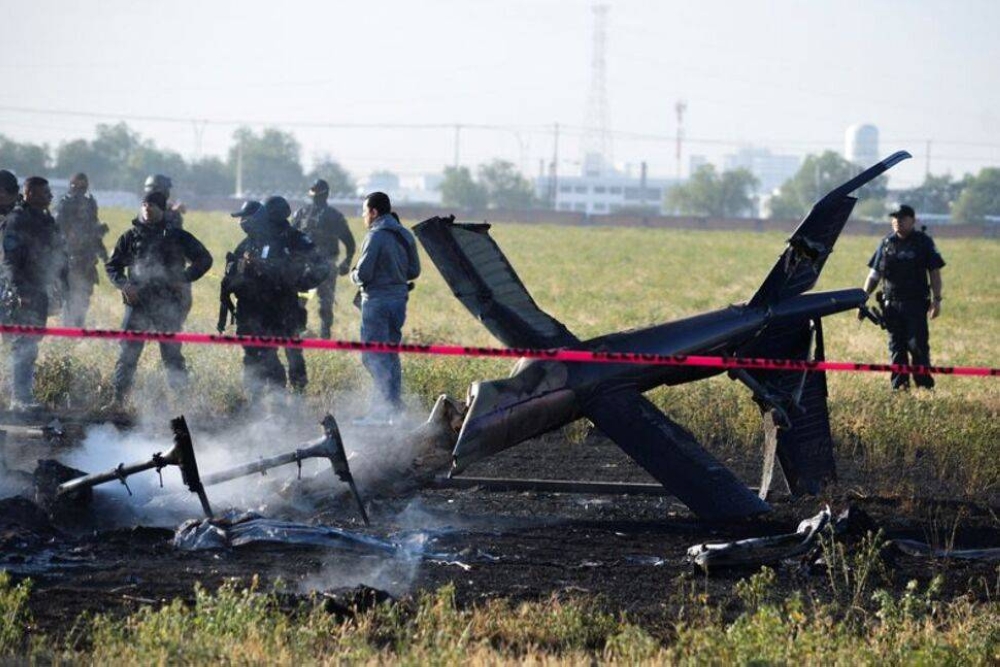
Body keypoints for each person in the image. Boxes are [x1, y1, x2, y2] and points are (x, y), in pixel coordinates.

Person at [103, 191, 212, 410]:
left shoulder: (177, 236)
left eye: (152, 204)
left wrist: (183, 278)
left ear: (162, 209)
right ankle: (118, 400)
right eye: (144, 204)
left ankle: (182, 403)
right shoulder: (130, 236)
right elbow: (112, 265)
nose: (147, 208)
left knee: (172, 355)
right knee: (127, 354)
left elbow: (205, 259)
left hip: (167, 305)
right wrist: (125, 285)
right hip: (137, 305)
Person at [221, 196, 328, 402]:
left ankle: (297, 399)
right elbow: (233, 271)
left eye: (248, 218)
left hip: (285, 307)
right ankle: (258, 401)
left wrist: (301, 283)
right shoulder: (252, 241)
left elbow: (322, 265)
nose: (243, 223)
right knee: (257, 355)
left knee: (292, 352)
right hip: (254, 310)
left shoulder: (293, 238)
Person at [350, 192, 420, 425]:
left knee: (373, 357)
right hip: (398, 302)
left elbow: (364, 274)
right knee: (390, 354)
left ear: (374, 212)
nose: (363, 216)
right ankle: (394, 409)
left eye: (364, 212)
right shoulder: (404, 234)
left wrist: (353, 275)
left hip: (376, 303)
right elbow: (414, 271)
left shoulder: (375, 236)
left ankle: (380, 412)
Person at [1, 176, 68, 410]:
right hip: (22, 292)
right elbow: (10, 260)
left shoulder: (47, 220)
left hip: (39, 290)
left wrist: (64, 287)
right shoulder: (18, 220)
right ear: (29, 194)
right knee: (23, 343)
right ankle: (19, 399)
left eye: (49, 192)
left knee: (30, 344)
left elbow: (58, 254)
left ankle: (22, 397)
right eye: (44, 193)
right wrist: (19, 291)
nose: (49, 196)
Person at [863, 204, 945, 390]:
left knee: (918, 346)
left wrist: (937, 300)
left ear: (912, 220)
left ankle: (924, 386)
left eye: (902, 218)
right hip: (891, 305)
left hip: (915, 304)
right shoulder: (885, 244)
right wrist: (862, 298)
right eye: (894, 218)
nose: (897, 221)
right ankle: (900, 387)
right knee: (896, 348)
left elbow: (934, 271)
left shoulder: (923, 242)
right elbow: (874, 275)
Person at [291, 179, 355, 339]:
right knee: (301, 301)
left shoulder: (334, 216)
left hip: (326, 266)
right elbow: (290, 238)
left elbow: (349, 242)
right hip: (305, 267)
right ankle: (297, 332)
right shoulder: (301, 213)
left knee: (325, 304)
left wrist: (347, 262)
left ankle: (324, 335)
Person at [55, 172, 108, 326]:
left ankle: (77, 328)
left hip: (87, 258)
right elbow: (58, 230)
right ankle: (68, 330)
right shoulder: (64, 204)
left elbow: (93, 228)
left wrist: (102, 250)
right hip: (70, 256)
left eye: (83, 186)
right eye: (77, 185)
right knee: (70, 297)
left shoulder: (90, 203)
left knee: (84, 296)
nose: (80, 190)